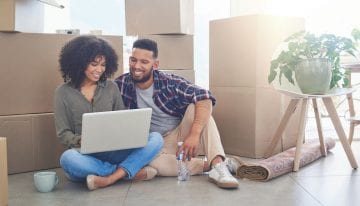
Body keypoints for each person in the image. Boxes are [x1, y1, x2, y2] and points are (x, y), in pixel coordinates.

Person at [115, 38, 239, 189]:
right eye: (133, 60)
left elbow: (205, 97)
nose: (136, 66)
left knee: (196, 107)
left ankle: (219, 166)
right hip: (152, 145)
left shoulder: (169, 83)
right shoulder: (121, 84)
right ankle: (214, 166)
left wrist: (194, 134)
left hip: (180, 137)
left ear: (155, 64)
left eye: (144, 62)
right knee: (150, 162)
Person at [54, 35, 163, 191]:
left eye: (103, 65)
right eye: (94, 64)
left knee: (156, 138)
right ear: (78, 63)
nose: (99, 70)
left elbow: (122, 120)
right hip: (85, 155)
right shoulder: (62, 93)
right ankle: (127, 171)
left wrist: (126, 134)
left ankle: (108, 178)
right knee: (67, 159)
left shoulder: (111, 87)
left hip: (114, 151)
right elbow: (63, 134)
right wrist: (85, 140)